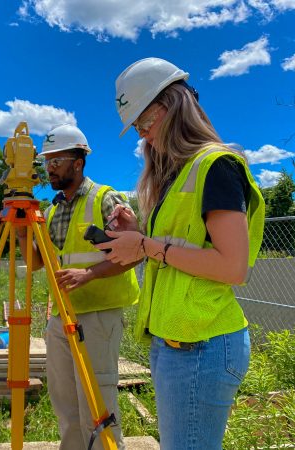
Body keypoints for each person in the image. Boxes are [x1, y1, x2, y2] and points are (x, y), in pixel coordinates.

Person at [97, 58, 266, 449]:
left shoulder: (216, 165)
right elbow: (176, 251)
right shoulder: (178, 175)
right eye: (137, 128)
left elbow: (232, 266)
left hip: (201, 347)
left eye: (144, 123)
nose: (143, 136)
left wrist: (145, 245)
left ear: (171, 105)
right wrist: (136, 234)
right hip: (177, 343)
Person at [16, 123, 140, 450]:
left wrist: (89, 274)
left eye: (57, 161)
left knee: (97, 405)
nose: (50, 169)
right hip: (63, 315)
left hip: (98, 316)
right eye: (47, 162)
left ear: (78, 162)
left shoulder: (106, 198)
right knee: (66, 403)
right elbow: (38, 262)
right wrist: (20, 227)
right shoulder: (53, 209)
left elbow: (133, 254)